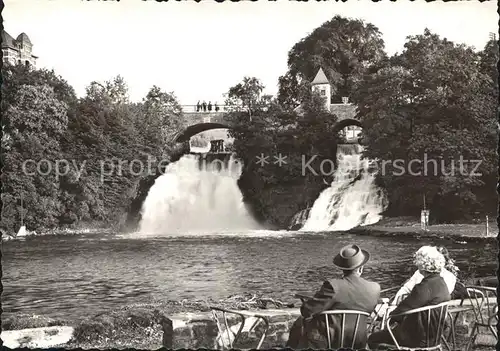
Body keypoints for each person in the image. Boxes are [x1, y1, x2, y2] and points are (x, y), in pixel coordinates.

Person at [287, 244, 380, 349]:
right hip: (358, 340)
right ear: (361, 268)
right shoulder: (375, 288)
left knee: (300, 323)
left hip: (327, 339)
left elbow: (307, 310)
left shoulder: (333, 285)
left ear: (342, 268)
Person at [368, 246, 451, 349]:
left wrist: (389, 317)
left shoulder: (423, 287)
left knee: (373, 338)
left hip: (416, 338)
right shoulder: (441, 283)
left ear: (423, 264)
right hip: (434, 336)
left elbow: (402, 309)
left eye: (418, 262)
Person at [391, 245, 457, 305]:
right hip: (431, 312)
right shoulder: (439, 282)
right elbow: (406, 288)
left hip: (421, 312)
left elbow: (435, 298)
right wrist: (395, 303)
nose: (416, 264)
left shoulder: (448, 278)